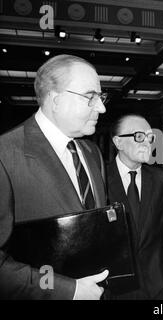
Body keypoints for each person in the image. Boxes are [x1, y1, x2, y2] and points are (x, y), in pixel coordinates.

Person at [0, 54, 109, 299]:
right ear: (56, 100)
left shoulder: (92, 153)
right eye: (91, 97)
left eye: (101, 98)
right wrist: (69, 291)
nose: (102, 107)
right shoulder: (5, 156)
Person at [106, 114, 163, 299]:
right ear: (118, 142)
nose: (147, 142)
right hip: (114, 290)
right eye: (139, 136)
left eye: (150, 137)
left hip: (159, 287)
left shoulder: (162, 180)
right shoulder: (99, 179)